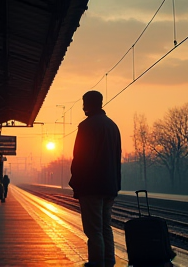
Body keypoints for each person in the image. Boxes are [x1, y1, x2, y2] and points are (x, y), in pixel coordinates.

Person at [69, 90, 121, 267]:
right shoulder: (113, 126)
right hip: (109, 186)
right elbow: (117, 157)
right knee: (106, 226)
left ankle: (97, 262)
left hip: (91, 186)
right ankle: (109, 260)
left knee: (94, 228)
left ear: (89, 104)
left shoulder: (86, 126)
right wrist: (116, 185)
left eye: (84, 103)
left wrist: (76, 182)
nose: (83, 107)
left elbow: (81, 157)